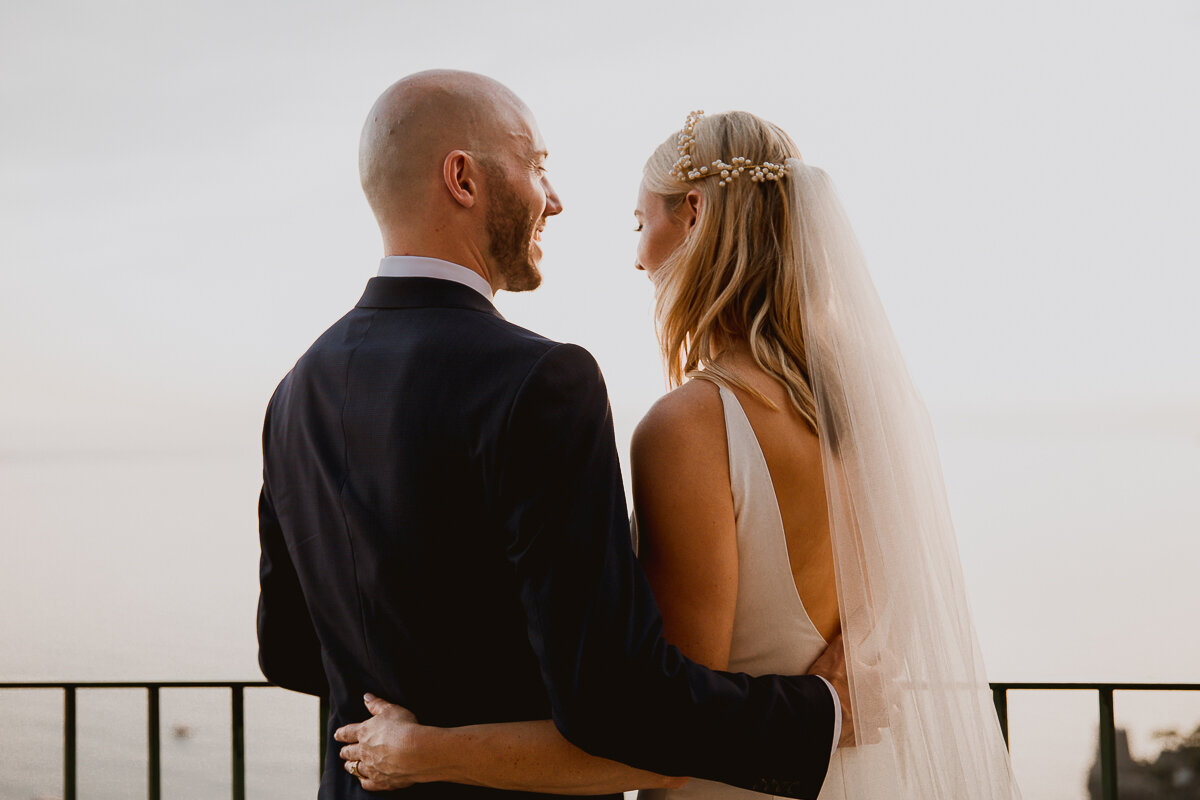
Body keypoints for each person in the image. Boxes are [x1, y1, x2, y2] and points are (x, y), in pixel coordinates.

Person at [334, 110, 1025, 799]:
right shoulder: (865, 409)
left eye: (641, 224)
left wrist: (425, 752)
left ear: (693, 214)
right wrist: (833, 706)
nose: (638, 258)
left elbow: (659, 739)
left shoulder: (694, 427)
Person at [257, 73, 849, 800]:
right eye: (536, 164)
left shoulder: (294, 393)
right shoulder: (540, 382)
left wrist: (410, 726)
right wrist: (820, 713)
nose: (555, 196)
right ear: (463, 179)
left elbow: (285, 650)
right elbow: (615, 703)